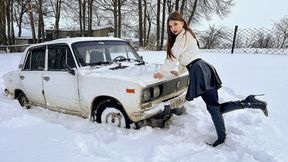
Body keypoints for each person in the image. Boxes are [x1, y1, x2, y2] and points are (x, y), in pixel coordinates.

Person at [153, 11, 268, 147]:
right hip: (203, 68)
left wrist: (162, 72)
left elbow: (173, 56)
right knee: (214, 107)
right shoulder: (187, 35)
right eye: (170, 26)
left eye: (175, 24)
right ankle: (249, 102)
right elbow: (186, 58)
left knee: (213, 108)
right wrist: (177, 71)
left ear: (182, 23)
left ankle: (222, 137)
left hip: (199, 71)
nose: (173, 28)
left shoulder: (183, 37)